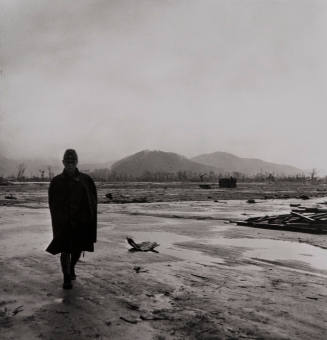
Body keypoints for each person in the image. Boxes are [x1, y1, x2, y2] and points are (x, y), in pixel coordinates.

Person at [46, 149, 97, 289]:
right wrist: (58, 220)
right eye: (67, 161)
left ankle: (72, 267)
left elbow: (92, 202)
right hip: (64, 222)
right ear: (63, 162)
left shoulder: (86, 180)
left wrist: (89, 220)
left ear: (76, 162)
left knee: (77, 249)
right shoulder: (56, 181)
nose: (70, 164)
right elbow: (52, 204)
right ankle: (66, 277)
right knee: (65, 250)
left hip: (81, 222)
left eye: (72, 161)